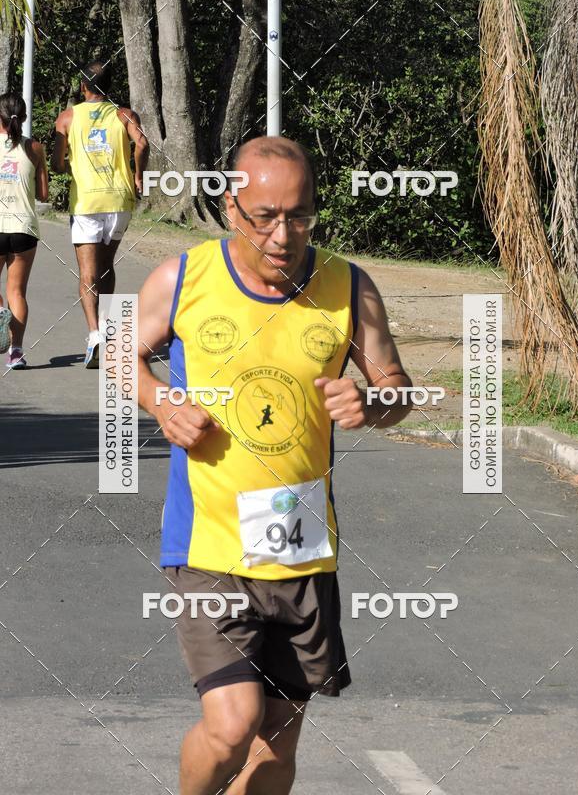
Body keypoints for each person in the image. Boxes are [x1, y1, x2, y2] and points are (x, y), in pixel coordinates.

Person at [137, 136, 413, 795]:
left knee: (276, 743)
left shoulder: (349, 287)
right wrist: (159, 399)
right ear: (231, 205)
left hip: (300, 548)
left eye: (300, 214)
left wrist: (373, 401)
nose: (283, 233)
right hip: (208, 544)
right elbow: (124, 352)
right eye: (265, 215)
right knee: (233, 725)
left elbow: (398, 387)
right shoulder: (184, 279)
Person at [51, 60, 149, 368]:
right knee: (107, 266)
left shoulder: (67, 117)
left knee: (87, 274)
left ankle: (94, 335)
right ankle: (107, 332)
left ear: (83, 87)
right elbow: (143, 143)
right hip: (119, 200)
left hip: (86, 203)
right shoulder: (124, 114)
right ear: (108, 86)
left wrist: (68, 166)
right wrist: (137, 175)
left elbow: (56, 163)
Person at [0, 93, 48, 369]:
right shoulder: (35, 148)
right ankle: (16, 352)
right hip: (24, 229)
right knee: (17, 291)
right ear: (24, 117)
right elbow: (42, 194)